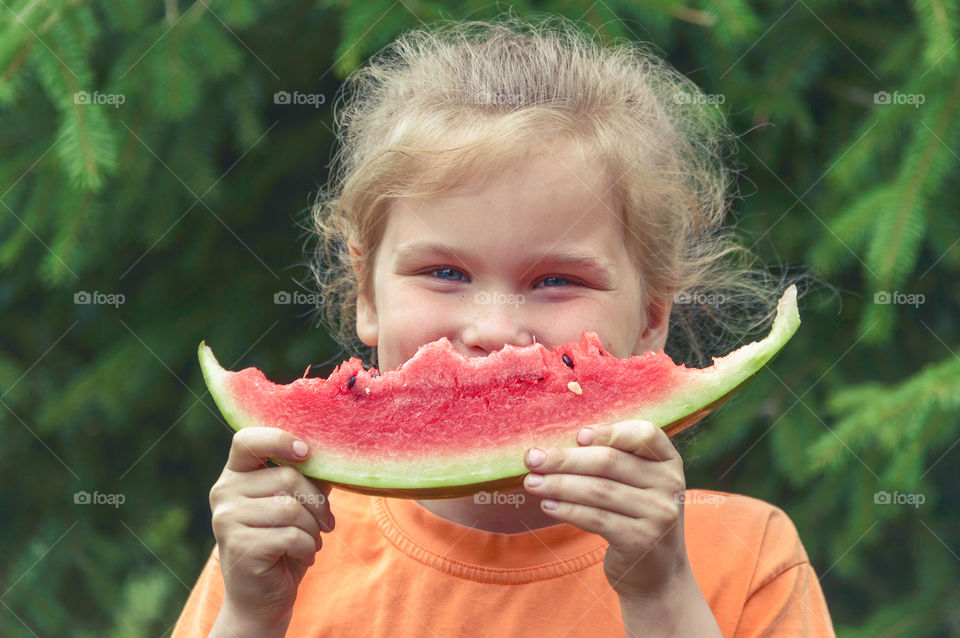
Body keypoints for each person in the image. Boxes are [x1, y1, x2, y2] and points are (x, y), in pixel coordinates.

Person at [172, 14, 835, 637]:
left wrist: (661, 594)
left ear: (653, 316)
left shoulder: (747, 556)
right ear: (366, 294)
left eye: (555, 281)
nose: (492, 330)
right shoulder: (282, 552)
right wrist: (252, 616)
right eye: (446, 273)